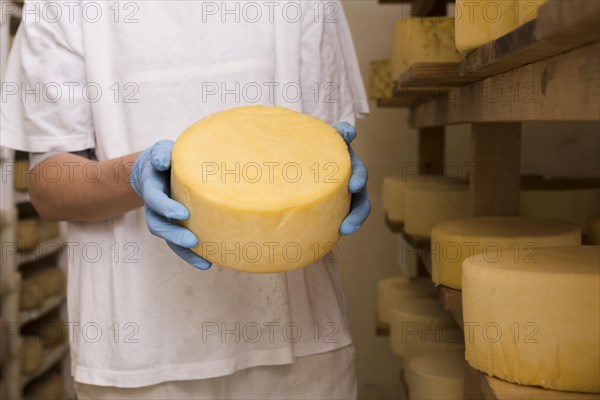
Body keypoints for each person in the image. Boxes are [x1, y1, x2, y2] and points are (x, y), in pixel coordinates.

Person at [1, 1, 370, 398]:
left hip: (301, 341)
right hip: (139, 354)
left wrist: (338, 179)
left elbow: (323, 145)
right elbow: (49, 184)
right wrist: (132, 176)